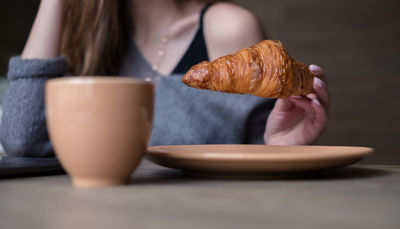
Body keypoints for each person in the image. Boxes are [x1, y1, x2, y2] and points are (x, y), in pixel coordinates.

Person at [0, 0, 329, 157]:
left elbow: (256, 165)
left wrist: (279, 149)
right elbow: (22, 141)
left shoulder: (227, 28)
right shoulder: (85, 41)